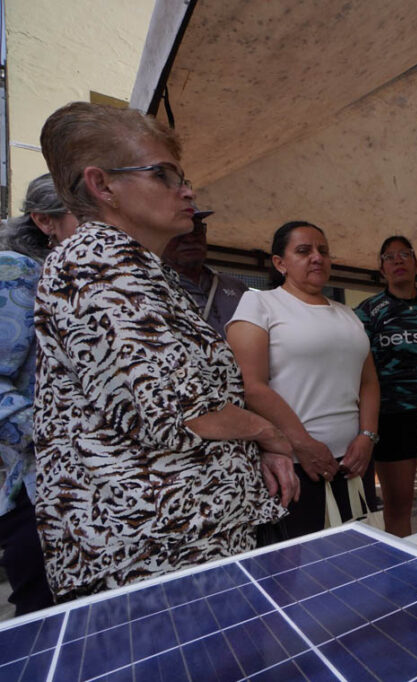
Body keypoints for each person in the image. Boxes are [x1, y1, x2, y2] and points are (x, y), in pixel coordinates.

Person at [35, 102, 297, 600]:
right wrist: (270, 434)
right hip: (148, 558)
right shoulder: (96, 263)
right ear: (102, 184)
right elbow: (182, 411)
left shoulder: (137, 267)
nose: (188, 191)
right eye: (163, 175)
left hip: (181, 547)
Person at [227, 221, 379, 540]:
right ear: (279, 263)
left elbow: (368, 383)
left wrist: (367, 437)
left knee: (358, 559)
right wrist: (302, 443)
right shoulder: (259, 304)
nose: (317, 257)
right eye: (303, 250)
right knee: (305, 573)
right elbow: (251, 386)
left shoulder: (348, 314)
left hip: (354, 464)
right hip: (296, 468)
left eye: (323, 250)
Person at [0, 174, 77, 615]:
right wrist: (48, 434)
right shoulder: (15, 271)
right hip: (43, 494)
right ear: (44, 221)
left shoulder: (74, 273)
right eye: (81, 215)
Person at [355, 236, 417, 537]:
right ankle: (404, 574)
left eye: (404, 254)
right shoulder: (368, 311)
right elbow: (361, 370)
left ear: (416, 263)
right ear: (381, 269)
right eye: (389, 257)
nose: (397, 261)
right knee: (398, 504)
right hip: (392, 414)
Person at [162, 210, 249, 338]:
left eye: (196, 229)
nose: (191, 238)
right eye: (180, 231)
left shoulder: (236, 286)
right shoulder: (153, 288)